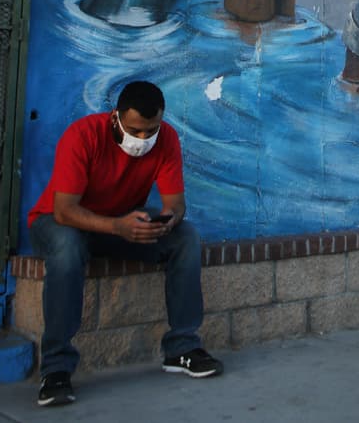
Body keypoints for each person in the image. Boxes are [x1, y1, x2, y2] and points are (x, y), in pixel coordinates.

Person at [27, 81, 220, 407]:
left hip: (120, 223)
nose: (142, 139)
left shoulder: (168, 138)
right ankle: (56, 369)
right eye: (134, 130)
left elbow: (176, 203)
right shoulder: (83, 135)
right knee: (68, 248)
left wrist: (167, 220)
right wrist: (117, 227)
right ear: (115, 117)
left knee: (185, 236)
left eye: (150, 130)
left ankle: (182, 348)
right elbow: (64, 210)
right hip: (58, 222)